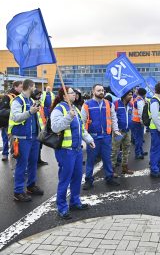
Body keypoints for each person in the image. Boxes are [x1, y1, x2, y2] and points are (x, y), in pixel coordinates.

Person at [51, 87, 95, 219]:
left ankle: (75, 202)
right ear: (65, 96)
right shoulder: (59, 109)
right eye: (72, 93)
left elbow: (81, 129)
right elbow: (55, 127)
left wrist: (89, 139)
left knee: (76, 178)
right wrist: (69, 117)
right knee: (65, 180)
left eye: (75, 93)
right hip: (65, 151)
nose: (75, 95)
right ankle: (62, 208)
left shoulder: (75, 108)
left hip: (76, 150)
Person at [8, 79, 44, 202]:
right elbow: (16, 117)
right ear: (29, 87)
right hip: (22, 138)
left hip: (34, 137)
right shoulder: (17, 101)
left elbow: (37, 119)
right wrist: (30, 112)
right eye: (34, 87)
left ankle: (31, 186)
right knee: (21, 165)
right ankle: (18, 192)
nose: (35, 89)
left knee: (33, 163)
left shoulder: (32, 100)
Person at [81, 84, 121, 190]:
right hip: (93, 137)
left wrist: (115, 130)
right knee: (91, 160)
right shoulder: (87, 105)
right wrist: (86, 137)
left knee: (107, 159)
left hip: (106, 136)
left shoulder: (109, 104)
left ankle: (109, 177)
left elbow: (113, 118)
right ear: (93, 91)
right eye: (99, 90)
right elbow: (82, 122)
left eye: (103, 90)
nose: (101, 92)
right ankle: (89, 180)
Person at [111, 90, 134, 177]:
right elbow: (113, 118)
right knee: (115, 150)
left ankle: (125, 167)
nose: (131, 96)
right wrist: (116, 130)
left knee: (126, 149)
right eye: (129, 95)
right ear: (124, 95)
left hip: (128, 131)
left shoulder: (131, 105)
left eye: (131, 95)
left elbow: (130, 116)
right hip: (119, 132)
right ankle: (112, 169)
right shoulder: (116, 104)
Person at [0, 80, 23, 161]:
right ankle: (5, 154)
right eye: (21, 87)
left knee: (14, 141)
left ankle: (13, 155)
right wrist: (14, 111)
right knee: (6, 139)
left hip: (16, 123)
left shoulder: (22, 97)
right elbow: (2, 111)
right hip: (6, 123)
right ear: (15, 87)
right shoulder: (8, 97)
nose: (22, 88)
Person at [31, 89, 48, 166]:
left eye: (40, 95)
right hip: (36, 129)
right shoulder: (33, 103)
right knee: (35, 147)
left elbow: (42, 115)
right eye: (38, 95)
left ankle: (38, 160)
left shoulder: (39, 103)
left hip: (41, 128)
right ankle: (36, 161)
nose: (39, 96)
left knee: (40, 146)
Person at [132, 88, 148, 159]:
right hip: (138, 121)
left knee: (140, 138)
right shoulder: (139, 101)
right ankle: (137, 153)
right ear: (144, 94)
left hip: (136, 121)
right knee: (139, 138)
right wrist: (142, 121)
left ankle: (140, 151)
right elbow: (141, 112)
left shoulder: (138, 99)